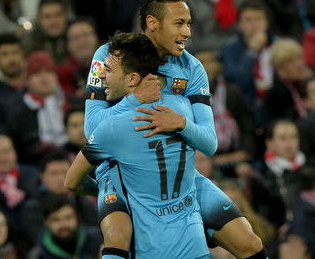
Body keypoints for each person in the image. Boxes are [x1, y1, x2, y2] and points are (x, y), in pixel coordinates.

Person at [84, 0, 266, 259]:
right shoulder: (107, 56)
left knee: (250, 243)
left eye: (189, 23)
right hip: (124, 173)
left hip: (181, 177)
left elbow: (209, 143)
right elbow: (92, 129)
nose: (188, 33)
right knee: (118, 239)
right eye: (179, 23)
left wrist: (180, 123)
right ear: (152, 23)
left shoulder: (192, 69)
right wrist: (132, 102)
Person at [66, 32, 211, 259]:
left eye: (109, 70)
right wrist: (183, 125)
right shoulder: (182, 108)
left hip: (147, 243)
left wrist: (115, 192)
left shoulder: (111, 129)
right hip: (191, 240)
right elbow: (209, 144)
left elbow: (71, 180)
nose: (102, 75)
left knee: (115, 241)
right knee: (249, 243)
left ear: (133, 78)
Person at [20, 151, 97, 244]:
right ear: (42, 177)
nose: (60, 178)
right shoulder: (32, 207)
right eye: (54, 174)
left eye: (65, 172)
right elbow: (39, 241)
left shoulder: (83, 201)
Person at [7, 51, 67, 165]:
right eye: (37, 73)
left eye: (49, 72)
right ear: (28, 79)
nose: (44, 78)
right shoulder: (17, 112)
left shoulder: (72, 104)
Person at [27, 194, 102, 259]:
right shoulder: (38, 255)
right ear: (46, 222)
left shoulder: (99, 240)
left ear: (77, 218)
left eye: (68, 217)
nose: (63, 225)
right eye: (55, 220)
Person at [21, 0, 68, 64]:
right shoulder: (29, 42)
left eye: (58, 15)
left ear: (66, 16)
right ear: (39, 19)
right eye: (47, 17)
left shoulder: (77, 36)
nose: (53, 21)